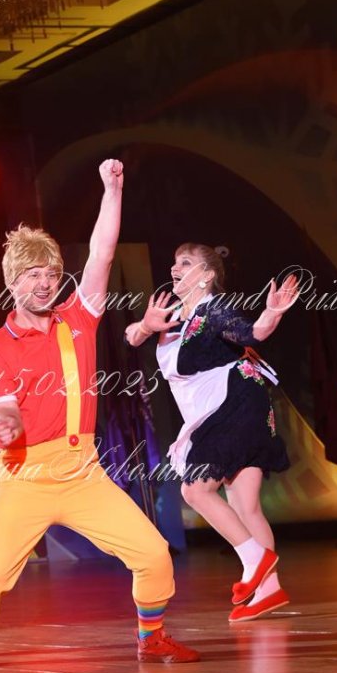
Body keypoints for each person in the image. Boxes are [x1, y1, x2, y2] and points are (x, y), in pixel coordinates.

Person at [0, 160, 200, 673]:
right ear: (13, 282)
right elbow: (4, 407)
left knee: (152, 554)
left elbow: (102, 252)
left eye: (51, 274)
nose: (44, 283)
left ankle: (151, 638)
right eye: (33, 274)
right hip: (24, 476)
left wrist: (112, 190)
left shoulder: (77, 320)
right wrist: (8, 425)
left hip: (82, 472)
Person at [125, 243, 299, 622]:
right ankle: (269, 589)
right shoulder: (172, 316)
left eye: (186, 262)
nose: (175, 267)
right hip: (225, 408)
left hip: (234, 405)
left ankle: (255, 561)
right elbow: (131, 336)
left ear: (206, 276)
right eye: (174, 261)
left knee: (195, 490)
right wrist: (146, 326)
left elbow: (253, 333)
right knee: (244, 505)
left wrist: (272, 312)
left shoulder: (213, 310)